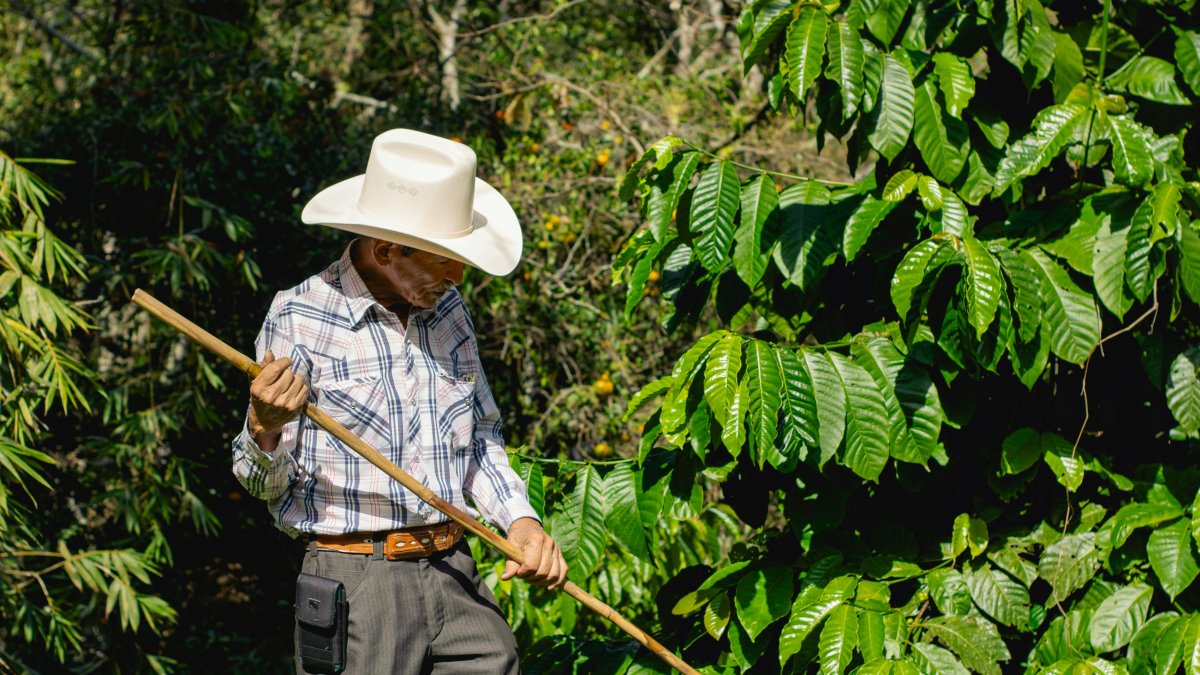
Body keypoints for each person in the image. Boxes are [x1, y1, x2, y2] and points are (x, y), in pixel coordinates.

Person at [231, 128, 567, 674]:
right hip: (360, 581)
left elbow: (480, 436)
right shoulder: (301, 316)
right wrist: (263, 426)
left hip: (453, 566)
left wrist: (520, 521)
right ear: (385, 250)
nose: (459, 275)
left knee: (496, 659)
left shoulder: (449, 311)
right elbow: (263, 485)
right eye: (445, 260)